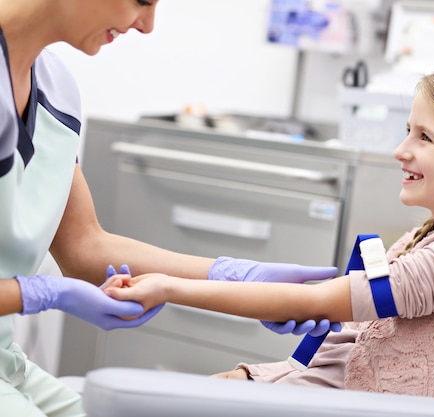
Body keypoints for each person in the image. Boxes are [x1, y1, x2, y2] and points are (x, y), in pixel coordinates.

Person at [105, 65, 434, 408]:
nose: (400, 149)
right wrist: (258, 380)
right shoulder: (413, 243)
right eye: (408, 130)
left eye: (424, 137)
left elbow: (314, 304)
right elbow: (343, 349)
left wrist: (168, 288)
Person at [0, 1, 338, 416]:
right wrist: (40, 294)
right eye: (142, 1)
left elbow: (83, 246)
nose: (147, 25)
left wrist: (232, 277)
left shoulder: (55, 88)